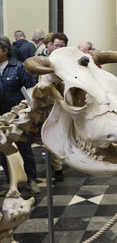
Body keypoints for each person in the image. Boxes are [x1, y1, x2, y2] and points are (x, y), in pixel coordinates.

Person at [0, 35, 40, 194]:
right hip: (1, 118)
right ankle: (12, 183)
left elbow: (30, 90)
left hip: (18, 117)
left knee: (25, 149)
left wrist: (29, 114)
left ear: (4, 50)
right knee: (3, 151)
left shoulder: (18, 67)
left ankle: (32, 180)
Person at [45, 32, 68, 181]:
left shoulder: (68, 61)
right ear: (51, 44)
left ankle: (59, 165)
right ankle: (56, 166)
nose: (58, 48)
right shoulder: (43, 60)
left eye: (62, 46)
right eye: (56, 45)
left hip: (63, 102)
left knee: (61, 134)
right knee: (50, 134)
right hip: (46, 102)